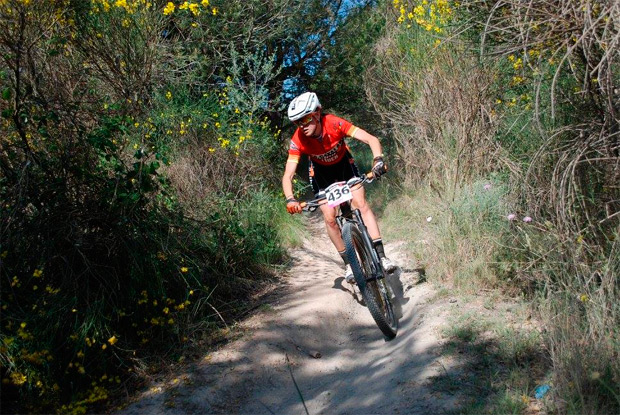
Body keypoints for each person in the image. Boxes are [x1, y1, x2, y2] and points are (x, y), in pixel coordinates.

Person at [282, 91, 397, 283]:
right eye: (297, 122)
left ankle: (382, 256)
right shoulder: (298, 140)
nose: (303, 126)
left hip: (345, 168)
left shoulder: (334, 123)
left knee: (360, 204)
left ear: (317, 113)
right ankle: (350, 265)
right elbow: (288, 174)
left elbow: (371, 139)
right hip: (321, 176)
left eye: (306, 118)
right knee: (330, 218)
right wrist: (290, 199)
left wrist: (377, 161)